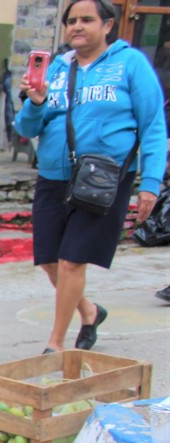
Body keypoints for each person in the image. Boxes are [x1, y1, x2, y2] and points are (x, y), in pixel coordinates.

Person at [15, 0, 168, 354]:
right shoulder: (55, 69)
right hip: (54, 176)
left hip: (103, 179)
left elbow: (154, 126)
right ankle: (90, 311)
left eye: (86, 20)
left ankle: (55, 344)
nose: (76, 27)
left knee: (72, 260)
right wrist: (35, 103)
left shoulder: (129, 65)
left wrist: (150, 184)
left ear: (108, 26)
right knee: (51, 261)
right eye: (71, 21)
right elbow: (25, 127)